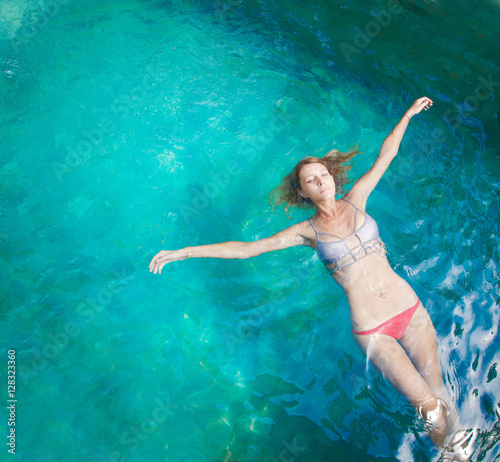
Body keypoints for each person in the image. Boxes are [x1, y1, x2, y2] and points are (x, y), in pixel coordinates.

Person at [149, 97, 462, 448]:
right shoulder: (306, 232)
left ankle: (458, 451)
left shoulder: (357, 198)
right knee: (429, 407)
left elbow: (385, 157)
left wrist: (407, 115)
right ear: (303, 191)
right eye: (311, 180)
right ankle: (449, 452)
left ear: (332, 178)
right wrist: (185, 252)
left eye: (323, 175)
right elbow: (248, 248)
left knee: (440, 392)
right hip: (374, 330)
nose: (320, 181)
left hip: (409, 308)